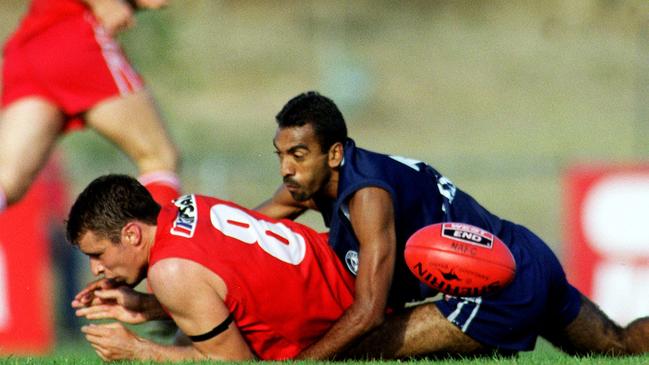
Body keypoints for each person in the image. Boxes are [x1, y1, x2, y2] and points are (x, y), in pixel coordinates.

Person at [255, 91, 649, 359]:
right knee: (620, 345)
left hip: (497, 287)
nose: (286, 167)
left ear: (335, 153)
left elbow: (369, 314)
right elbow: (243, 229)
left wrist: (300, 363)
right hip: (524, 251)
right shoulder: (311, 183)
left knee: (357, 349)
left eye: (299, 154)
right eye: (281, 155)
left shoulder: (367, 196)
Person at [66, 174, 355, 361]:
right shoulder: (187, 206)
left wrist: (137, 350)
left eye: (98, 254)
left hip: (345, 308)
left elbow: (234, 361)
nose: (96, 269)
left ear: (132, 234)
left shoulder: (170, 270)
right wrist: (145, 306)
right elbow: (227, 286)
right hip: (341, 258)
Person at [0, 0, 181, 213]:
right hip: (77, 35)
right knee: (159, 158)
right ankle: (163, 244)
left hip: (33, 44)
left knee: (7, 181)